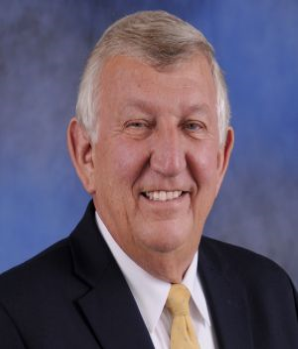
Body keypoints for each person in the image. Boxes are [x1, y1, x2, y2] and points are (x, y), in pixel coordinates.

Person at [0, 10, 297, 349]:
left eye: (192, 126)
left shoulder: (272, 296)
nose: (169, 162)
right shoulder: (13, 321)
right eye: (138, 125)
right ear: (86, 155)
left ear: (221, 157)